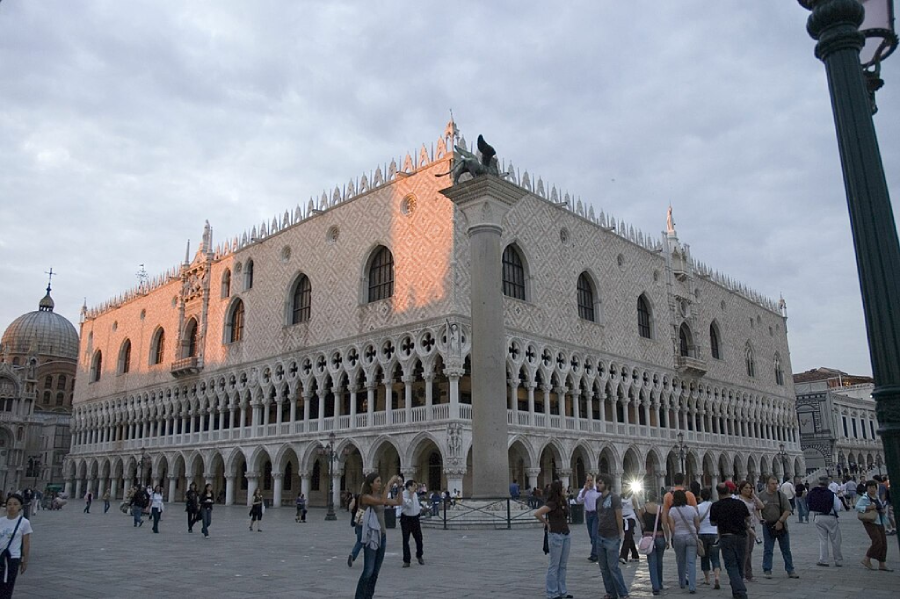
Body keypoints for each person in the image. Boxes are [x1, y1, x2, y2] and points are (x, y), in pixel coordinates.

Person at [354, 473, 402, 599]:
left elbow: (398, 502)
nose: (380, 483)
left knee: (375, 572)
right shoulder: (365, 497)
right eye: (378, 481)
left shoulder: (381, 496)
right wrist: (390, 483)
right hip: (371, 537)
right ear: (371, 484)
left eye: (381, 481)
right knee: (368, 570)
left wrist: (400, 487)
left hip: (382, 536)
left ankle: (368, 596)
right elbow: (382, 501)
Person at [709, 483, 750, 599]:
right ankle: (737, 592)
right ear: (729, 491)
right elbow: (748, 518)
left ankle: (740, 591)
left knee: (731, 566)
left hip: (726, 537)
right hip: (741, 538)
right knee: (739, 565)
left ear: (718, 493)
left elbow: (712, 522)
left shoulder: (715, 506)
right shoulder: (739, 503)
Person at [594, 474, 629, 599]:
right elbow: (598, 517)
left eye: (600, 483)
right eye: (597, 482)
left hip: (612, 537)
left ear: (607, 485)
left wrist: (620, 533)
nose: (598, 485)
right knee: (604, 568)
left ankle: (623, 593)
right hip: (601, 536)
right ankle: (610, 593)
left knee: (613, 567)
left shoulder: (614, 498)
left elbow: (619, 516)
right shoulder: (598, 500)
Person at [534, 480, 571, 599]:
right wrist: (547, 523)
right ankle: (552, 592)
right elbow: (538, 513)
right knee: (554, 565)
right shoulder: (552, 503)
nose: (565, 489)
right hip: (556, 535)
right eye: (563, 488)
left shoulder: (563, 501)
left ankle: (562, 592)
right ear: (559, 490)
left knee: (563, 565)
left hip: (565, 534)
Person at [759, 475, 798, 579]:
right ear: (767, 484)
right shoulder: (761, 496)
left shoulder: (781, 495)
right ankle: (767, 569)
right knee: (768, 549)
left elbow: (787, 509)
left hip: (781, 525)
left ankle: (790, 569)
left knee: (786, 549)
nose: (775, 486)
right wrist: (759, 518)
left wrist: (780, 521)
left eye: (776, 483)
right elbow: (757, 508)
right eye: (773, 484)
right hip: (768, 525)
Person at [0, 494, 32, 599]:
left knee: (8, 586)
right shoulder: (1, 521)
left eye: (15, 504)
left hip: (12, 558)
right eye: (9, 504)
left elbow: (26, 543)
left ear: (20, 506)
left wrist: (25, 560)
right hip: (0, 557)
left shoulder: (24, 523)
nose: (12, 507)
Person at [667, 489, 700, 593]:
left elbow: (672, 527)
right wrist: (695, 532)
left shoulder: (672, 511)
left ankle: (682, 582)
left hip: (679, 536)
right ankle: (692, 586)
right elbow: (697, 525)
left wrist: (674, 536)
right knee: (691, 562)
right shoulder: (692, 509)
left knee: (680, 561)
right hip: (691, 536)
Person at [807, 475, 843, 567]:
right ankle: (838, 560)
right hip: (830, 517)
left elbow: (808, 504)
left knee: (823, 540)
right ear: (827, 484)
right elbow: (837, 508)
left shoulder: (812, 493)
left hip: (818, 517)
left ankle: (823, 560)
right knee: (835, 540)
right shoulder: (831, 494)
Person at [857, 480, 893, 571]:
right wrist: (867, 507)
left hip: (879, 521)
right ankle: (867, 559)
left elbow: (879, 507)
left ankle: (882, 563)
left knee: (884, 543)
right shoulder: (864, 498)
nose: (872, 489)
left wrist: (882, 510)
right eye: (870, 487)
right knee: (877, 541)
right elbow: (857, 507)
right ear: (867, 488)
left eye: (874, 487)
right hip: (870, 521)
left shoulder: (876, 497)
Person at [638, 488, 668, 596]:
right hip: (660, 537)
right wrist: (667, 538)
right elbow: (664, 524)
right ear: (656, 497)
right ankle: (660, 583)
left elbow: (641, 523)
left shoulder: (642, 509)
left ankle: (655, 587)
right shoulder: (660, 509)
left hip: (648, 538)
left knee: (652, 562)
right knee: (659, 562)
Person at [697, 488, 721, 588]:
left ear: (701, 496)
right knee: (715, 557)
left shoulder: (698, 507)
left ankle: (707, 579)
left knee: (704, 557)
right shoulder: (715, 506)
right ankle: (717, 577)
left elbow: (696, 521)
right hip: (714, 533)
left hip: (702, 534)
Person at [399, 479, 424, 567]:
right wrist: (410, 494)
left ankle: (419, 555)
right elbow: (408, 505)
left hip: (415, 518)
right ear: (409, 486)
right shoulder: (403, 495)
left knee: (419, 538)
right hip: (406, 519)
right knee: (406, 540)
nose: (415, 487)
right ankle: (407, 560)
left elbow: (415, 505)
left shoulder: (415, 494)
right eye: (413, 485)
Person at [576, 474, 601, 562]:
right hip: (588, 513)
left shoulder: (597, 491)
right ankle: (597, 549)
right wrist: (585, 491)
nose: (589, 482)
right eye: (588, 481)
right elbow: (579, 500)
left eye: (591, 480)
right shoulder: (584, 491)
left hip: (596, 514)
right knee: (591, 534)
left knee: (595, 534)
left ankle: (594, 554)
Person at [619, 488, 639, 564]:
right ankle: (635, 555)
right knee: (629, 537)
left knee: (627, 537)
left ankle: (623, 556)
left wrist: (641, 521)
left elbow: (636, 509)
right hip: (623, 519)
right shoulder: (620, 498)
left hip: (630, 518)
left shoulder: (633, 497)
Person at [348, 494, 364, 567]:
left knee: (360, 540)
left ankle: (353, 554)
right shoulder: (369, 496)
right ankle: (353, 554)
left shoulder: (357, 496)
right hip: (366, 518)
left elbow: (350, 507)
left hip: (358, 518)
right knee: (362, 540)